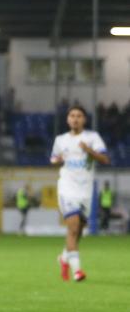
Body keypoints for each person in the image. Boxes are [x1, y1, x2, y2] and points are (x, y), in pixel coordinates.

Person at [51, 106, 109, 282]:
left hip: (85, 191)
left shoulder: (92, 138)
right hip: (67, 189)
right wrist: (57, 160)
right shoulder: (60, 140)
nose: (75, 119)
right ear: (67, 119)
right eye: (72, 115)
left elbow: (105, 159)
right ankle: (77, 271)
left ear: (84, 119)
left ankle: (64, 258)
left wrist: (89, 150)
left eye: (79, 116)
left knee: (79, 232)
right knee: (74, 227)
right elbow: (53, 159)